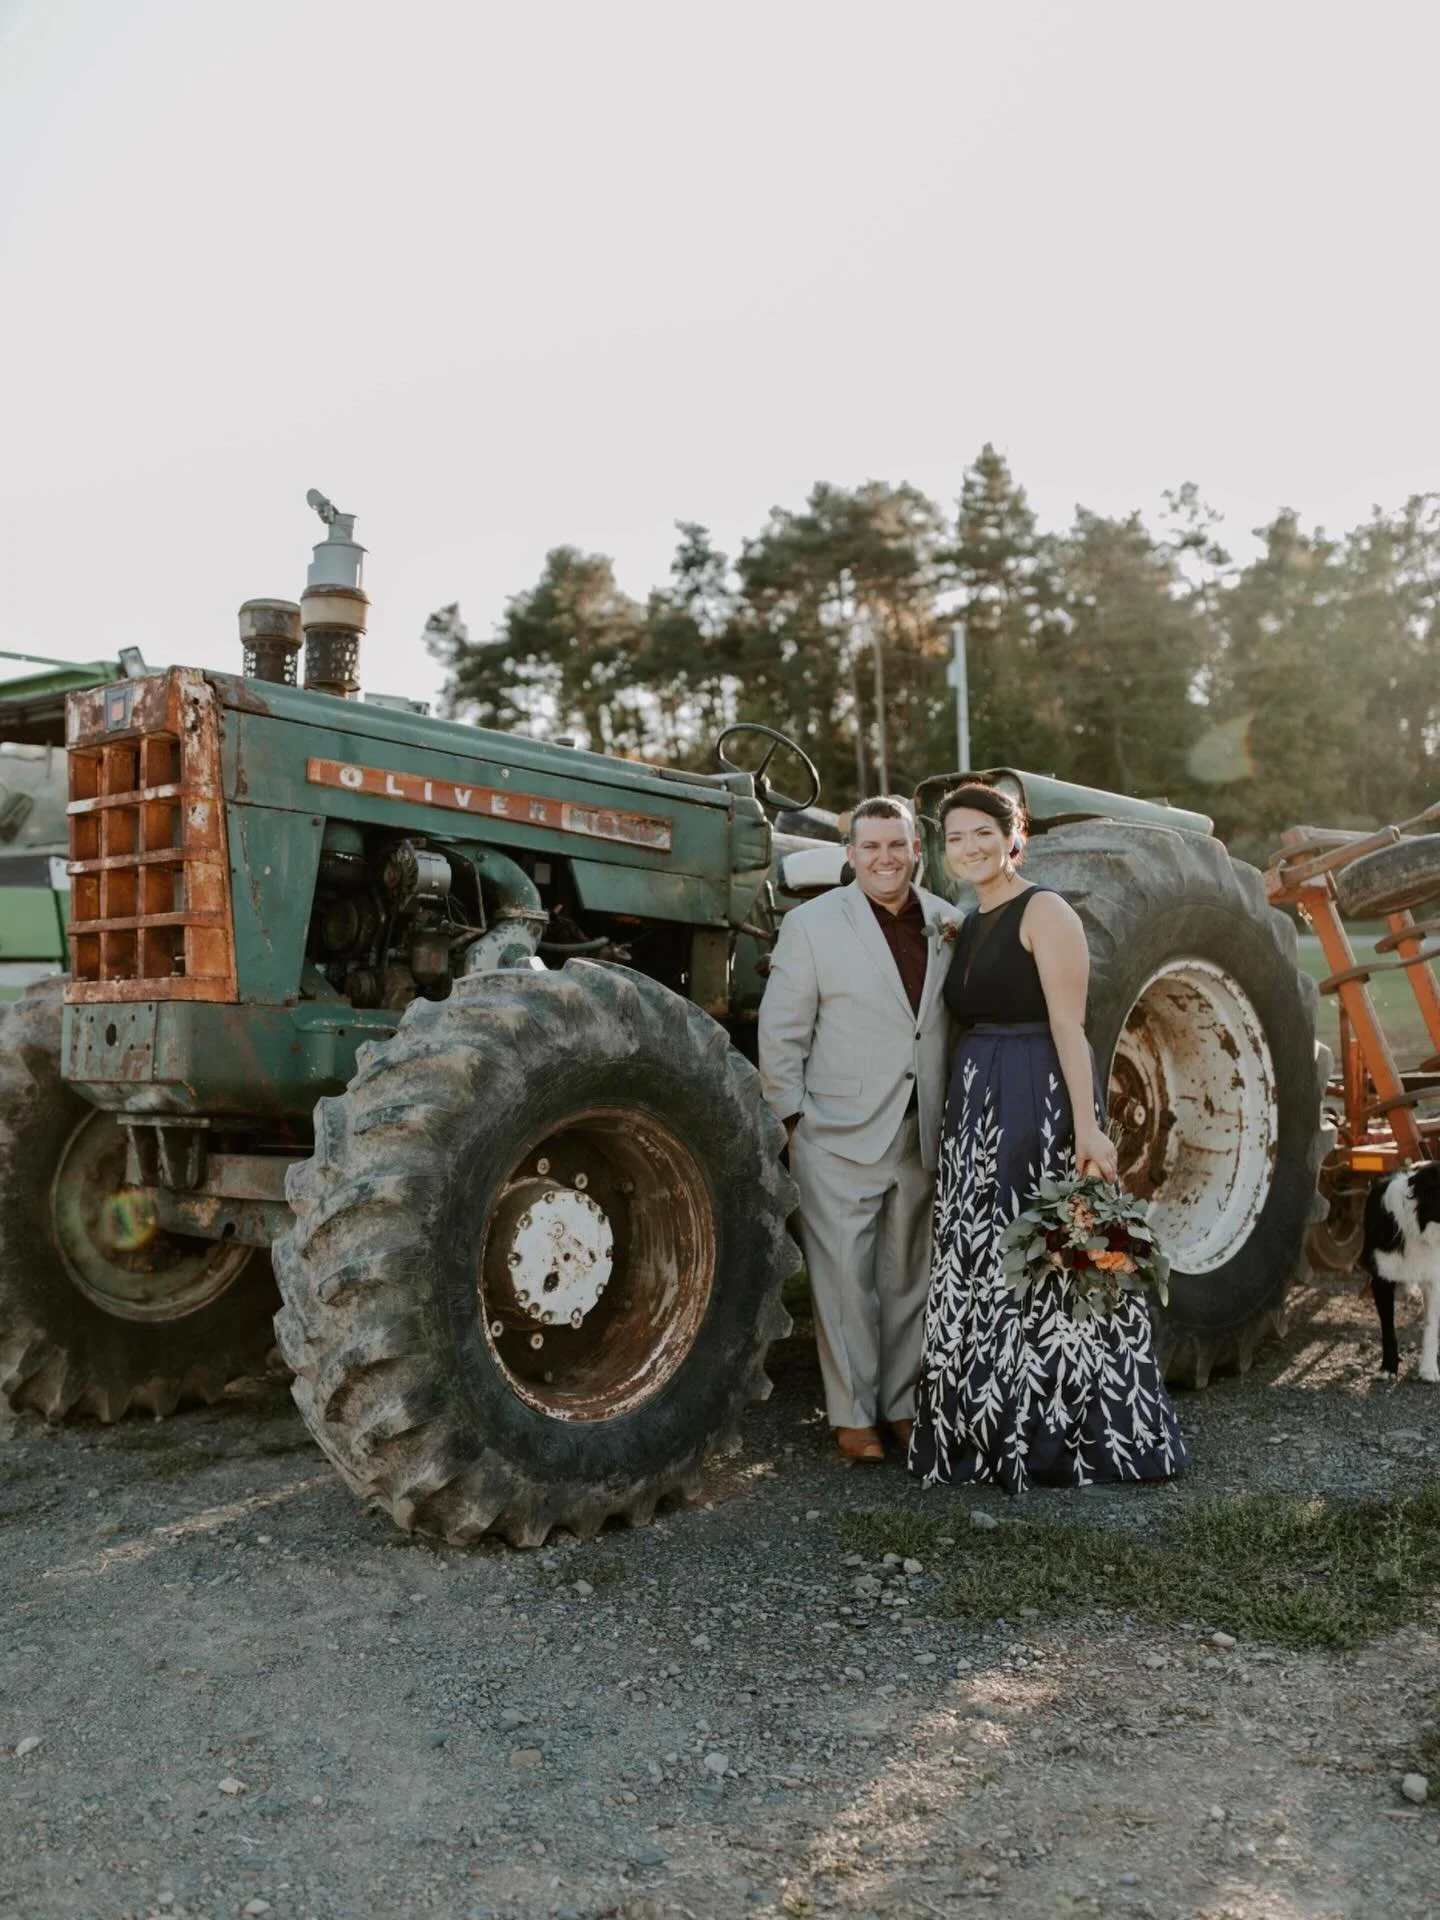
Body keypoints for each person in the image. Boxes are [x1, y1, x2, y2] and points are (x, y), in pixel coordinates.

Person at [909, 779, 1188, 1492]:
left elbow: (1071, 1026)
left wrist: (1089, 1128)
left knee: (1041, 1258)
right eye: (956, 839)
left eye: (982, 834)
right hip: (976, 1102)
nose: (969, 849)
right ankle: (986, 1429)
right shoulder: (969, 921)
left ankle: (1059, 1439)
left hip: (1034, 1092)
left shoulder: (1046, 911)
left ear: (1014, 835)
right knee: (980, 1263)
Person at [759, 796, 960, 1462]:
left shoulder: (947, 922)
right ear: (850, 855)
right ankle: (851, 1417)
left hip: (919, 1128)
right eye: (870, 847)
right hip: (836, 1131)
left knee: (908, 1277)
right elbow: (782, 1032)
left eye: (896, 846)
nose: (885, 859)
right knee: (844, 1281)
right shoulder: (814, 924)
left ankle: (902, 1405)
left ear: (916, 853)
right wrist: (793, 1124)